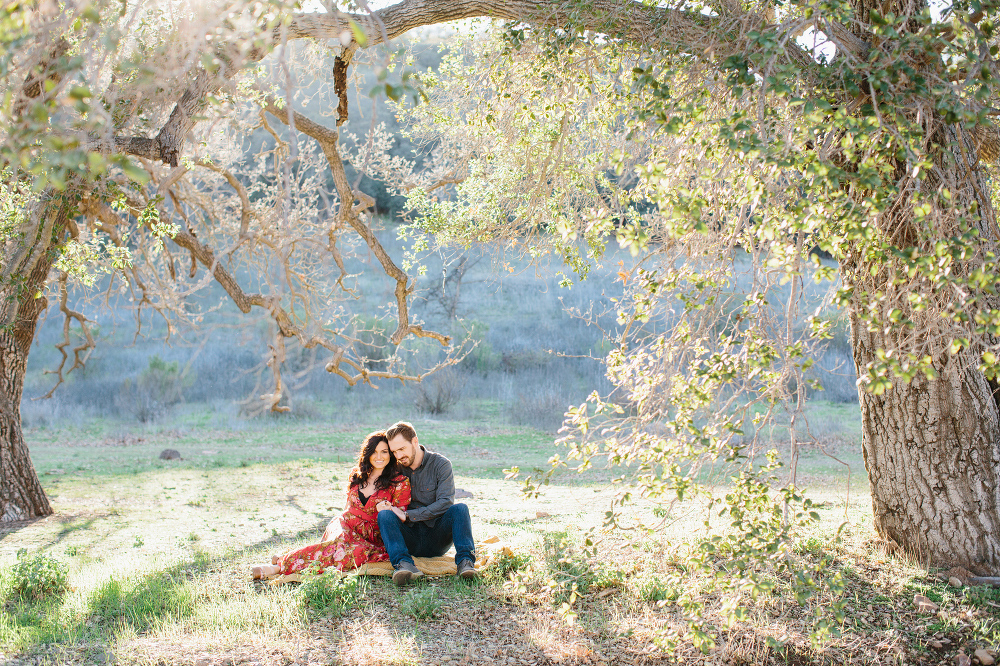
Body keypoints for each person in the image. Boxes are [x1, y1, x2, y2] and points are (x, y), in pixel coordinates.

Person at [250, 431, 410, 579]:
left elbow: (400, 517)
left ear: (391, 455)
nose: (379, 456)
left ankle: (282, 562)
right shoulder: (357, 475)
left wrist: (388, 508)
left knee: (345, 552)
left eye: (384, 452)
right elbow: (348, 506)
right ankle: (279, 567)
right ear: (367, 453)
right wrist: (344, 530)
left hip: (371, 538)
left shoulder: (399, 483)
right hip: (345, 524)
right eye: (374, 451)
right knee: (337, 545)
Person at [377, 421, 477, 585]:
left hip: (437, 537)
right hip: (408, 539)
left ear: (414, 441)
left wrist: (408, 515)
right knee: (385, 515)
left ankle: (466, 563)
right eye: (394, 451)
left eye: (402, 449)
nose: (399, 456)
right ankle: (404, 565)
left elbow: (445, 503)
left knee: (460, 509)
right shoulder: (395, 468)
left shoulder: (441, 464)